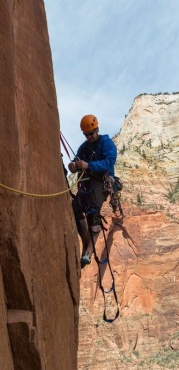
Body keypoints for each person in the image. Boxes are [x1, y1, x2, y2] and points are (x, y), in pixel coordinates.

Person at [68, 114, 117, 268]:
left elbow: (109, 162)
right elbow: (75, 161)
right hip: (88, 181)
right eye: (86, 134)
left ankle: (88, 252)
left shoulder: (106, 143)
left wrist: (88, 166)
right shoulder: (84, 147)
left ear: (97, 129)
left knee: (93, 211)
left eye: (90, 133)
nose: (88, 136)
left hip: (102, 182)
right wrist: (73, 166)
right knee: (76, 208)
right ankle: (86, 240)